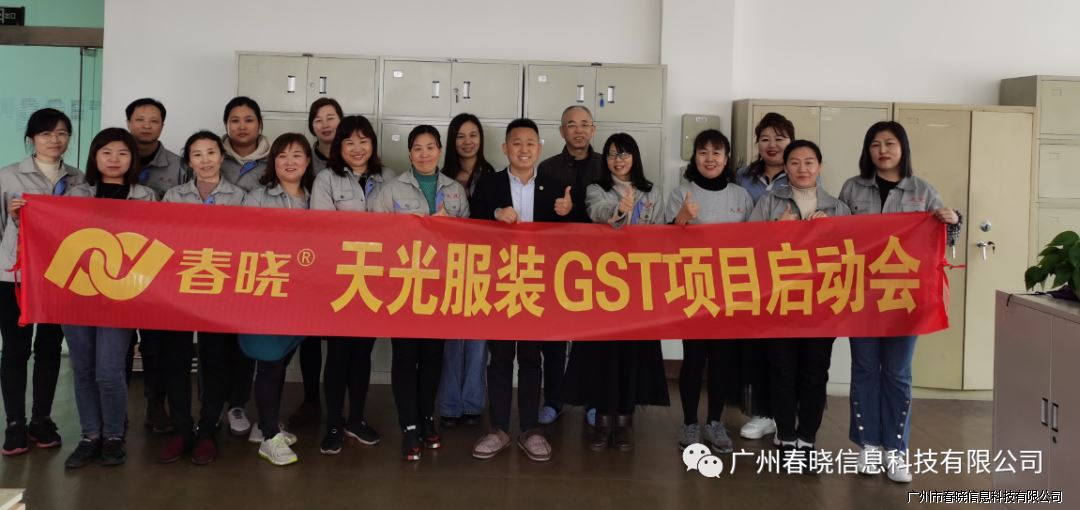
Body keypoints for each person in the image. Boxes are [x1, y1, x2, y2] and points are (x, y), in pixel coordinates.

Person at [839, 121, 962, 483]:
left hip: (904, 298)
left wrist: (953, 220)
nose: (883, 151)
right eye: (875, 144)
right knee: (864, 370)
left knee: (897, 373)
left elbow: (945, 236)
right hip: (861, 296)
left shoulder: (923, 190)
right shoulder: (852, 188)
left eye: (890, 143)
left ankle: (896, 449)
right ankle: (868, 445)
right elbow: (835, 236)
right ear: (867, 150)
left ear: (903, 148)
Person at [562, 132, 668, 452]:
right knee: (602, 354)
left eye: (623, 154)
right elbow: (598, 211)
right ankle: (602, 419)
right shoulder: (596, 189)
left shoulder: (652, 192)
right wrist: (620, 210)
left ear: (634, 157)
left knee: (631, 354)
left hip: (638, 286)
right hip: (603, 286)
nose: (617, 160)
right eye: (611, 154)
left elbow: (660, 234)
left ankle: (624, 421)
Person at [748, 140, 850, 470]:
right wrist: (776, 232)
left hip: (821, 305)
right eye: (794, 162)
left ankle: (807, 438)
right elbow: (745, 247)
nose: (802, 168)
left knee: (815, 373)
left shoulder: (838, 208)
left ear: (820, 167)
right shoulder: (769, 202)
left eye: (809, 162)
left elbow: (851, 254)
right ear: (786, 167)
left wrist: (828, 234)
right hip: (779, 302)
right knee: (781, 371)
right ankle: (786, 436)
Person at [371, 125, 470, 461]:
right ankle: (409, 426)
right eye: (417, 148)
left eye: (430, 147)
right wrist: (407, 229)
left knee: (432, 357)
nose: (424, 154)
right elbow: (376, 236)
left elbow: (470, 238)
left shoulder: (455, 190)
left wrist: (449, 228)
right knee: (405, 357)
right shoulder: (391, 189)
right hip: (403, 286)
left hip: (440, 286)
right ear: (410, 153)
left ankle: (427, 419)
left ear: (440, 150)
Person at [60, 128, 157, 468]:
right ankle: (90, 435)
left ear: (133, 159)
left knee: (109, 370)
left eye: (122, 153)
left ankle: (114, 435)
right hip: (77, 293)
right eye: (106, 152)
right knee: (83, 369)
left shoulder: (146, 196)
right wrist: (24, 213)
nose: (114, 159)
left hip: (121, 295)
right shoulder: (76, 192)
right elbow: (54, 233)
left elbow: (158, 243)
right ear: (95, 157)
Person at [469, 118, 563, 462]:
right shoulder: (489, 184)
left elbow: (574, 236)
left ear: (540, 148)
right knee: (499, 358)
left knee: (531, 358)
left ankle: (529, 429)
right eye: (517, 143)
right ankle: (498, 429)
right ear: (505, 147)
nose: (524, 149)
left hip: (538, 284)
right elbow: (471, 224)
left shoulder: (556, 187)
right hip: (499, 282)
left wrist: (568, 213)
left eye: (530, 143)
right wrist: (494, 213)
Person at [157, 130, 249, 465]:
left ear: (222, 157)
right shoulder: (173, 196)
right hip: (178, 290)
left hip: (220, 290)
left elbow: (248, 243)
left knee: (215, 361)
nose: (206, 160)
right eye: (197, 154)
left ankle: (208, 429)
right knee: (177, 361)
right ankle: (182, 429)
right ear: (189, 161)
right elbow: (161, 240)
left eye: (211, 152)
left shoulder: (240, 197)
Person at [0, 108, 84, 456]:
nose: (55, 140)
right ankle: (15, 423)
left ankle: (41, 419)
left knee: (50, 347)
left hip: (59, 277)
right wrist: (16, 218)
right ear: (32, 138)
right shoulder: (8, 177)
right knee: (16, 349)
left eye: (62, 133)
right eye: (46, 133)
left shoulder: (78, 179)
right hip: (14, 276)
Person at [668, 129, 754, 453]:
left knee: (722, 360)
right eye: (702, 152)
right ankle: (690, 422)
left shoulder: (741, 196)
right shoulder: (682, 193)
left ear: (726, 158)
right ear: (695, 157)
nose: (709, 158)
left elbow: (757, 242)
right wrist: (681, 218)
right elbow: (663, 243)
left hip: (730, 290)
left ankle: (715, 422)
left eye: (716, 152)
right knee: (693, 358)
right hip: (693, 287)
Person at [311, 115, 390, 455]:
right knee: (338, 354)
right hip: (339, 280)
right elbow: (323, 229)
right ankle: (333, 423)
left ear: (373, 143)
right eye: (349, 142)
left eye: (363, 141)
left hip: (375, 281)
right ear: (339, 147)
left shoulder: (388, 178)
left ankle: (356, 418)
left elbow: (399, 228)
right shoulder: (326, 179)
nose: (357, 148)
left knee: (362, 353)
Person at [239, 132, 317, 466]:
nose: (290, 162)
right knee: (269, 362)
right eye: (282, 155)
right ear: (273, 162)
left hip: (301, 296)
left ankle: (265, 424)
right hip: (267, 292)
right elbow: (245, 243)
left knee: (282, 359)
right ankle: (270, 436)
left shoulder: (315, 199)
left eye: (297, 155)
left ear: (308, 161)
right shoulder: (257, 197)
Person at [535, 105, 603, 425]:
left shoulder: (605, 166)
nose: (578, 130)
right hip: (555, 265)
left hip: (597, 266)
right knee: (553, 338)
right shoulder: (546, 168)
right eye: (571, 125)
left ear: (593, 129)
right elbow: (538, 217)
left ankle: (592, 401)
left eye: (585, 124)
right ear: (561, 131)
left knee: (590, 339)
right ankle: (554, 399)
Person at [124, 97, 188, 435]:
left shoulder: (178, 166)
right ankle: (116, 411)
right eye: (140, 119)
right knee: (119, 341)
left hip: (161, 268)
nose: (146, 125)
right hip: (117, 263)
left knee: (154, 344)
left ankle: (154, 405)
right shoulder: (115, 156)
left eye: (153, 120)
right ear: (129, 122)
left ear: (162, 125)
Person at [731, 112, 795, 443]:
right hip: (749, 271)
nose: (772, 145)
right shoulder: (743, 177)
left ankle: (784, 411)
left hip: (787, 271)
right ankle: (761, 412)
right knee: (754, 344)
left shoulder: (800, 175)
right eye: (765, 139)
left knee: (784, 346)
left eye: (779, 139)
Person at [438, 113, 495, 429]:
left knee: (477, 340)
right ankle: (449, 405)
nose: (467, 141)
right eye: (460, 135)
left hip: (482, 268)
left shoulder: (493, 176)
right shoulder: (442, 175)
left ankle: (473, 403)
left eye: (473, 135)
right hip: (447, 268)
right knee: (450, 340)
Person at [220, 96, 270, 192]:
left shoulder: (276, 159)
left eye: (249, 120)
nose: (242, 127)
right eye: (235, 121)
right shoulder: (212, 158)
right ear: (226, 125)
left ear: (260, 124)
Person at [308, 97, 343, 173]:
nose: (325, 125)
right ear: (311, 126)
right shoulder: (306, 160)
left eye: (330, 118)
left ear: (341, 121)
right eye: (318, 120)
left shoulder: (353, 156)